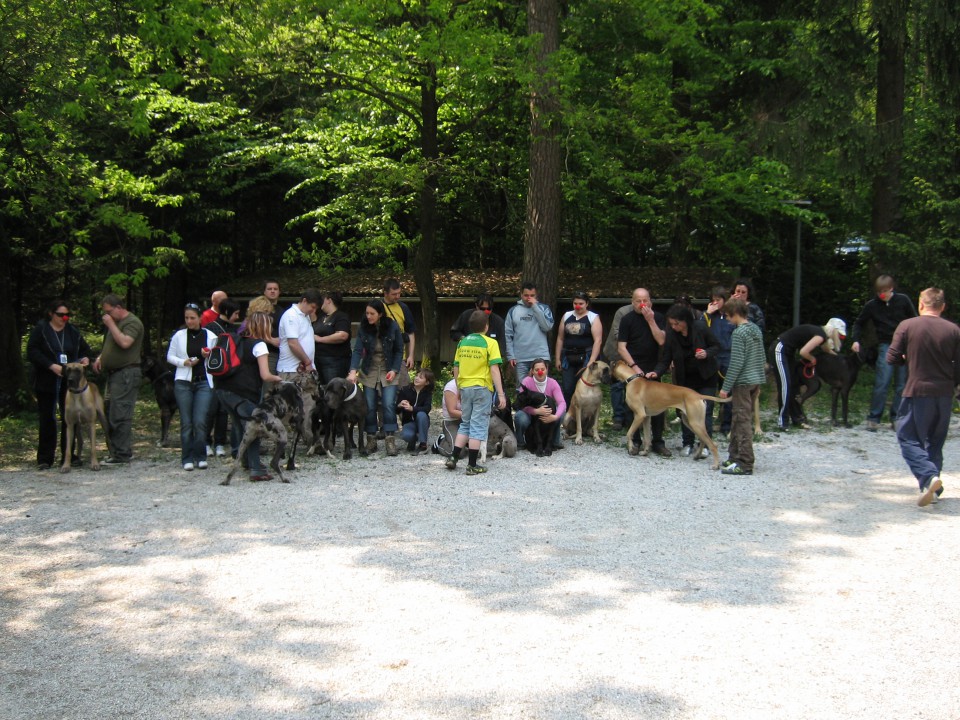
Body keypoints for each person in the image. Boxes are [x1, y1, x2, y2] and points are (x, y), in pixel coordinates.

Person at [886, 288, 960, 506]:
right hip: (945, 394)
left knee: (907, 437)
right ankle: (931, 490)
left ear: (920, 304)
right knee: (935, 442)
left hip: (917, 391)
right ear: (942, 306)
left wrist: (907, 359)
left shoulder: (907, 325)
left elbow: (891, 358)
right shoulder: (954, 330)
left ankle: (928, 476)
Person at [212, 312, 283, 481]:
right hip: (243, 393)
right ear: (263, 327)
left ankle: (246, 461)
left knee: (240, 426)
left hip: (222, 390)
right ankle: (256, 469)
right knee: (254, 428)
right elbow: (265, 375)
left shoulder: (236, 341)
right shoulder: (259, 345)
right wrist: (278, 378)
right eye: (269, 326)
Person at [26, 300, 95, 470]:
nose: (64, 318)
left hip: (69, 381)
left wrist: (86, 358)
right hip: (47, 380)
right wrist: (51, 365)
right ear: (51, 314)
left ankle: (69, 456)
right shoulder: (41, 330)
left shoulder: (72, 331)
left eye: (67, 315)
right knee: (47, 418)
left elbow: (85, 350)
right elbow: (32, 351)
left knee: (69, 418)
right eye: (60, 315)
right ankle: (45, 458)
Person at [652, 303, 721, 456]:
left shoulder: (701, 328)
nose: (674, 326)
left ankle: (704, 445)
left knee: (706, 410)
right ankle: (687, 442)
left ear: (685, 321)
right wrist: (656, 373)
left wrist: (706, 353)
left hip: (706, 376)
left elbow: (716, 346)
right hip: (684, 379)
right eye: (671, 323)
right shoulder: (671, 335)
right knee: (684, 411)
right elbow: (666, 359)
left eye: (677, 323)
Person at [850, 274, 917, 430]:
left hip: (904, 345)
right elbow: (859, 323)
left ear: (891, 289)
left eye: (885, 291)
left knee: (901, 384)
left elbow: (914, 320)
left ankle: (897, 418)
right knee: (882, 382)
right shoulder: (872, 305)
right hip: (886, 345)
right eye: (879, 292)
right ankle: (874, 417)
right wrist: (855, 340)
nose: (882, 295)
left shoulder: (903, 300)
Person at [446, 310, 507, 474]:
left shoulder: (462, 342)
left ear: (470, 327)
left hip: (465, 387)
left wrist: (458, 388)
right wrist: (501, 394)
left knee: (465, 423)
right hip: (481, 388)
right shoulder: (490, 343)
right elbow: (494, 369)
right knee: (478, 426)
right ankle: (472, 464)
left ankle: (453, 457)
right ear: (486, 326)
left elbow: (456, 367)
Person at [617, 288, 670, 457]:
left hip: (654, 367)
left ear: (650, 302)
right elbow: (621, 347)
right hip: (632, 367)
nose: (642, 304)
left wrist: (651, 321)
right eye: (638, 301)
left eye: (645, 300)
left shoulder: (659, 318)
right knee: (631, 405)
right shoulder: (627, 319)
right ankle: (636, 441)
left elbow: (661, 340)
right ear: (632, 302)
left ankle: (658, 442)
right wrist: (634, 366)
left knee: (658, 404)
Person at [347, 299, 404, 456]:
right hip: (369, 368)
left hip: (388, 367)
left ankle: (390, 439)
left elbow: (399, 350)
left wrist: (394, 369)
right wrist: (353, 370)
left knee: (388, 404)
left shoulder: (392, 326)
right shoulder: (364, 327)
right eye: (367, 313)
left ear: (380, 314)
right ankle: (371, 439)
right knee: (370, 405)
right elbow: (357, 350)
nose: (369, 316)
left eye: (372, 313)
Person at [93, 293, 144, 464]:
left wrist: (110, 324)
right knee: (109, 412)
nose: (106, 316)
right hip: (114, 374)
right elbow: (112, 345)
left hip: (126, 374)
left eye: (109, 311)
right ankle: (116, 451)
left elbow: (124, 343)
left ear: (119, 308)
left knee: (120, 413)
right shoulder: (115, 323)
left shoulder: (132, 322)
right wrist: (101, 358)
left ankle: (122, 454)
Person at [718, 297, 766, 476]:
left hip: (743, 383)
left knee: (742, 421)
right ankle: (734, 456)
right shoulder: (755, 329)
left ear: (734, 314)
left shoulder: (739, 333)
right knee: (737, 419)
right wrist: (760, 379)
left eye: (728, 316)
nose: (728, 320)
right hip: (754, 380)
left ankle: (745, 462)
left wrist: (725, 387)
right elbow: (761, 356)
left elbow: (736, 363)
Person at [770, 318, 846, 431]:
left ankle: (796, 418)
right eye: (839, 335)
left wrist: (839, 358)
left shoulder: (820, 334)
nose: (839, 339)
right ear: (834, 331)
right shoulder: (820, 335)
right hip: (779, 349)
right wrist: (812, 359)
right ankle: (782, 421)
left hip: (788, 353)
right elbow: (803, 352)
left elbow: (826, 350)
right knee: (785, 385)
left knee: (794, 385)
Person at [166, 303, 217, 471]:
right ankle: (187, 457)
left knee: (200, 421)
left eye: (192, 318)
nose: (189, 321)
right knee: (186, 422)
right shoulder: (179, 336)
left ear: (200, 318)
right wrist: (184, 362)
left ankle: (200, 455)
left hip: (204, 381)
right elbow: (170, 356)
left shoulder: (210, 336)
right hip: (183, 382)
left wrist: (207, 356)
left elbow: (216, 359)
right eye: (187, 318)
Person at [204, 298, 242, 458]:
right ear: (227, 312)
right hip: (214, 373)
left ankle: (220, 442)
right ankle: (206, 442)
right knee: (211, 409)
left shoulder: (235, 328)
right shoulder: (211, 328)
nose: (237, 317)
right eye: (236, 313)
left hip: (230, 374)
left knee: (223, 410)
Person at [554, 291, 603, 407]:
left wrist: (592, 360)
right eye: (575, 303)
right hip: (568, 356)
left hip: (586, 356)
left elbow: (598, 340)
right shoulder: (566, 316)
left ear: (586, 303)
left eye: (580, 303)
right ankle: (567, 416)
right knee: (567, 388)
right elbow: (560, 338)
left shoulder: (593, 317)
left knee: (584, 388)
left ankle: (583, 418)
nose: (577, 306)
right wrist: (557, 358)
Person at [513, 358, 566, 455]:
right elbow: (521, 403)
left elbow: (562, 402)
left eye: (542, 369)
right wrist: (536, 411)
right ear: (532, 371)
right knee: (520, 417)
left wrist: (554, 417)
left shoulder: (553, 383)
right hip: (531, 413)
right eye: (537, 370)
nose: (540, 372)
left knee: (561, 412)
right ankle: (521, 442)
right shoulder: (527, 382)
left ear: (547, 370)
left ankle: (555, 441)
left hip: (548, 412)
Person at [504, 282, 554, 383]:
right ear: (521, 295)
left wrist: (535, 307)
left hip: (540, 356)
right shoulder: (513, 311)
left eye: (532, 295)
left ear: (536, 295)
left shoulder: (544, 309)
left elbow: (547, 327)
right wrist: (511, 355)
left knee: (541, 388)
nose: (529, 298)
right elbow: (508, 335)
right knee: (522, 389)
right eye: (526, 295)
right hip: (520, 358)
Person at [704, 286, 735, 435]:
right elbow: (698, 328)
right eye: (713, 300)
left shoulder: (731, 316)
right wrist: (707, 314)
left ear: (725, 300)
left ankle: (726, 426)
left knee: (727, 392)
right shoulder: (709, 317)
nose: (715, 303)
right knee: (709, 391)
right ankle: (706, 424)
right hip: (712, 356)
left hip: (727, 356)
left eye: (718, 300)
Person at [602, 300, 634, 430]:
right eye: (639, 300)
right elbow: (617, 333)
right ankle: (618, 418)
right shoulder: (622, 312)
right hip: (617, 351)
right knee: (617, 386)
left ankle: (630, 417)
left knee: (631, 385)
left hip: (635, 355)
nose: (643, 304)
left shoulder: (649, 315)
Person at [278, 289, 322, 377]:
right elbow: (293, 344)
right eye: (312, 307)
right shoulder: (291, 315)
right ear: (304, 301)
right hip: (291, 370)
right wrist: (307, 362)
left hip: (303, 369)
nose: (313, 311)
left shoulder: (305, 316)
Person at [381, 278, 417, 385]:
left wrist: (411, 355)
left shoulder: (403, 307)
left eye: (399, 293)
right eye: (394, 294)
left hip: (399, 356)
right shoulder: (377, 307)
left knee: (403, 387)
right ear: (385, 293)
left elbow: (410, 332)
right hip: (381, 357)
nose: (397, 296)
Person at [451, 293, 506, 362]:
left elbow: (502, 346)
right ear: (476, 306)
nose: (486, 312)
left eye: (489, 309)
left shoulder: (498, 322)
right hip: (468, 359)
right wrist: (465, 339)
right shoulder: (466, 316)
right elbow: (454, 332)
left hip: (488, 361)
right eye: (482, 309)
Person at [313, 291, 353, 385]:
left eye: (323, 299)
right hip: (318, 360)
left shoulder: (341, 316)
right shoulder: (321, 317)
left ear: (329, 300)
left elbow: (342, 335)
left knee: (333, 390)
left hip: (334, 361)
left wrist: (320, 339)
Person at [397, 369, 435, 454]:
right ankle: (413, 439)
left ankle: (423, 445)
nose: (417, 378)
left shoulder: (427, 393)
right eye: (416, 376)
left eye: (420, 377)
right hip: (408, 422)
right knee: (406, 436)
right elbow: (396, 410)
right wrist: (399, 404)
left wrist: (412, 409)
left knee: (421, 414)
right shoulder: (405, 390)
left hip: (422, 421)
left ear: (427, 383)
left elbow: (427, 409)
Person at [434, 376, 463, 457]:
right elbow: (452, 412)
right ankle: (440, 442)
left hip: (468, 421)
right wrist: (473, 415)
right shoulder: (452, 386)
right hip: (452, 421)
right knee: (457, 453)